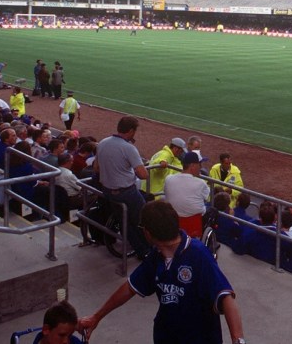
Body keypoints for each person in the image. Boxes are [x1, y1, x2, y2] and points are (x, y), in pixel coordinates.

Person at [78, 200, 246, 344]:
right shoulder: (156, 256)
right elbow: (130, 288)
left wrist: (238, 340)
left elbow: (226, 297)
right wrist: (96, 317)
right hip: (167, 336)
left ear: (147, 233)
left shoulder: (198, 254)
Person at [94, 115, 151, 259]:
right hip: (126, 192)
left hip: (107, 191)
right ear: (131, 131)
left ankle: (141, 251)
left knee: (125, 222)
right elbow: (143, 175)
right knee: (145, 218)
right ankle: (148, 250)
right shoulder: (129, 148)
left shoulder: (102, 142)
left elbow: (96, 168)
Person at [163, 151, 210, 238]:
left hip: (172, 223)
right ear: (192, 166)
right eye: (199, 164)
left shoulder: (169, 179)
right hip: (193, 227)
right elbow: (208, 198)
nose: (201, 168)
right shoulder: (201, 183)